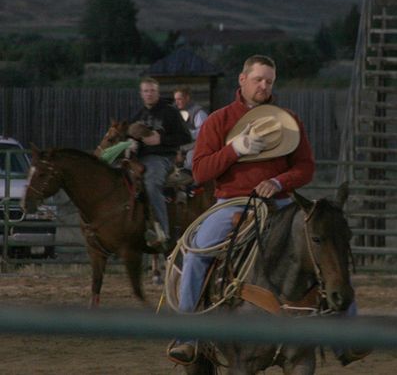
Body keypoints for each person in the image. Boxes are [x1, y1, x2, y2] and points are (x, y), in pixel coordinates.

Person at [167, 55, 315, 364]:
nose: (264, 86)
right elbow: (201, 171)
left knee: (323, 241)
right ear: (242, 79)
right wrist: (235, 150)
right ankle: (187, 337)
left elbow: (305, 167)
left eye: (270, 81)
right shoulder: (218, 121)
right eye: (259, 79)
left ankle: (346, 335)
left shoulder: (287, 120)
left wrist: (278, 181)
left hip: (280, 203)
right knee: (197, 252)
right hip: (231, 203)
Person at [130, 77, 192, 248]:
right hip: (139, 158)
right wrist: (131, 143)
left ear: (157, 92)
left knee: (151, 183)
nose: (149, 94)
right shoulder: (139, 114)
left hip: (162, 157)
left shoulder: (170, 112)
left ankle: (162, 232)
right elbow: (131, 134)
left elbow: (186, 137)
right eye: (145, 91)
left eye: (152, 91)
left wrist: (161, 139)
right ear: (141, 94)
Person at [173, 85, 209, 171]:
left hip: (196, 146)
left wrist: (186, 133)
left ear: (187, 98)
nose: (177, 102)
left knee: (191, 163)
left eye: (179, 99)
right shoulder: (175, 112)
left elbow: (203, 133)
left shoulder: (198, 113)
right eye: (175, 99)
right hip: (179, 147)